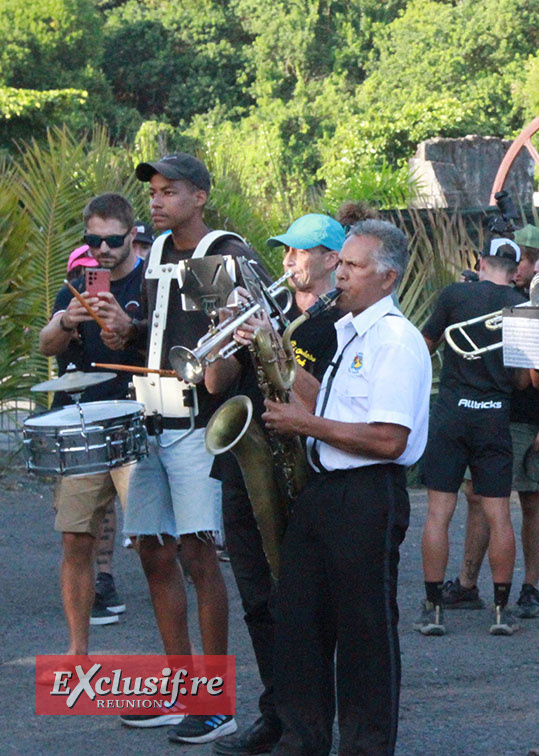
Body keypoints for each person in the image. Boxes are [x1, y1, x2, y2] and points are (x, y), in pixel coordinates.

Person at [262, 219, 431, 756]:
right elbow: (336, 408)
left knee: (364, 636)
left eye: (353, 266)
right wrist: (278, 360)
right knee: (300, 624)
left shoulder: (396, 340)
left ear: (388, 277)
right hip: (324, 490)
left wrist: (303, 426)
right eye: (342, 263)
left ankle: (366, 747)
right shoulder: (350, 329)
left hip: (366, 494)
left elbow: (387, 439)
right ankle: (301, 741)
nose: (340, 275)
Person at [106, 153, 258, 743]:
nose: (157, 201)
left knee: (199, 556)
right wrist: (128, 331)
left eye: (169, 192)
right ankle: (177, 687)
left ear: (200, 196)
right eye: (154, 193)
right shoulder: (160, 254)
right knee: (151, 549)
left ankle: (216, 702)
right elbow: (169, 335)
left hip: (199, 423)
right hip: (150, 415)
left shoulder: (225, 251)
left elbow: (241, 337)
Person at [206, 213, 344, 756]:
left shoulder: (337, 324)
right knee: (257, 602)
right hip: (243, 465)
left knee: (300, 605)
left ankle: (304, 723)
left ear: (332, 259)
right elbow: (216, 385)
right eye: (284, 251)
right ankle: (274, 711)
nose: (289, 261)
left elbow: (322, 402)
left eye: (301, 251)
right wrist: (225, 331)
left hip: (298, 475)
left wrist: (271, 342)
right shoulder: (272, 311)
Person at [37, 193, 145, 649]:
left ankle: (177, 662)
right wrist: (67, 320)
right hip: (82, 423)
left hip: (138, 422)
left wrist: (125, 327)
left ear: (132, 235)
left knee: (155, 547)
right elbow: (46, 346)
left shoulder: (150, 284)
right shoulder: (78, 286)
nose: (103, 250)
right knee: (75, 540)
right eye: (93, 240)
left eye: (113, 240)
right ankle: (77, 651)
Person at [416, 241, 527, 635]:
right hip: (494, 416)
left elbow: (423, 347)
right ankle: (500, 611)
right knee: (499, 514)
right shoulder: (521, 303)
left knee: (438, 512)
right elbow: (522, 378)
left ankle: (433, 610)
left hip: (450, 412)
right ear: (515, 270)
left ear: (480, 263)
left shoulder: (454, 295)